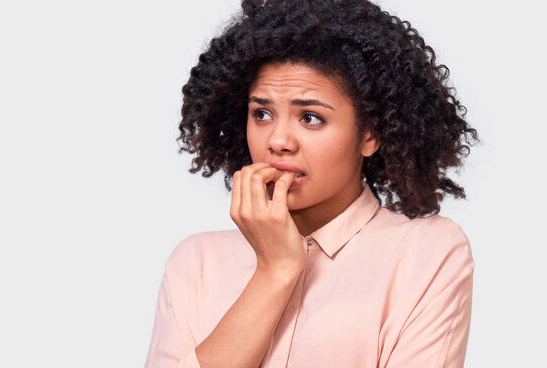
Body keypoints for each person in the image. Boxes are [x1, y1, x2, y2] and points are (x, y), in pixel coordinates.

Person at [145, 0, 480, 367]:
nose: (278, 141)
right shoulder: (195, 263)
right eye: (261, 114)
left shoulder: (425, 253)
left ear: (371, 133)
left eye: (310, 117)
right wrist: (274, 272)